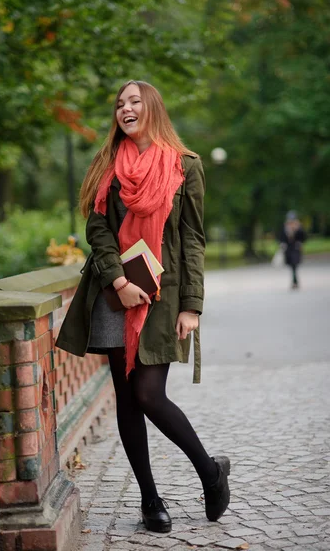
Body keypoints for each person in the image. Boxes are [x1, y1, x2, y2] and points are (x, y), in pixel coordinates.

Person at [56, 80, 230, 533]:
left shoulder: (185, 166)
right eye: (119, 104)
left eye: (134, 101)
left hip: (163, 295)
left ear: (152, 108)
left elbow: (192, 239)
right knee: (128, 401)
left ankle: (210, 473)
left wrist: (191, 305)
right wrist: (116, 278)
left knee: (149, 394)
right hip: (116, 297)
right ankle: (150, 500)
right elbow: (97, 231)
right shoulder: (107, 166)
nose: (125, 109)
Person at [280, 211, 307, 289]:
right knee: (291, 265)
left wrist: (297, 231)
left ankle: (295, 281)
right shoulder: (285, 227)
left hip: (296, 249)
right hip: (288, 249)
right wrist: (283, 243)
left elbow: (303, 237)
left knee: (294, 264)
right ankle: (294, 280)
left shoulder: (299, 227)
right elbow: (282, 237)